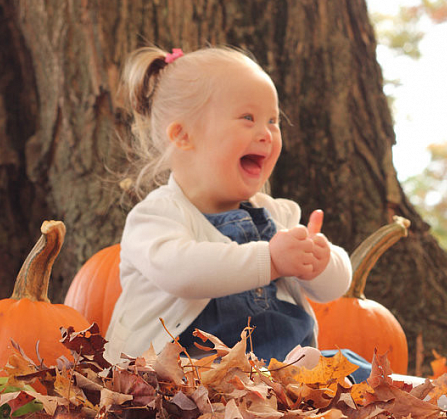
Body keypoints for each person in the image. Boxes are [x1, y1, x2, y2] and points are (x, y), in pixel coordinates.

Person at [104, 45, 371, 382]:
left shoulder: (277, 214)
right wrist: (271, 261)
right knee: (210, 384)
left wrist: (320, 262)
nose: (267, 132)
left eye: (273, 121)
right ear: (183, 135)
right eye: (248, 118)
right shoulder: (156, 216)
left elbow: (334, 289)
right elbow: (183, 272)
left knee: (349, 369)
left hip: (279, 363)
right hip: (191, 373)